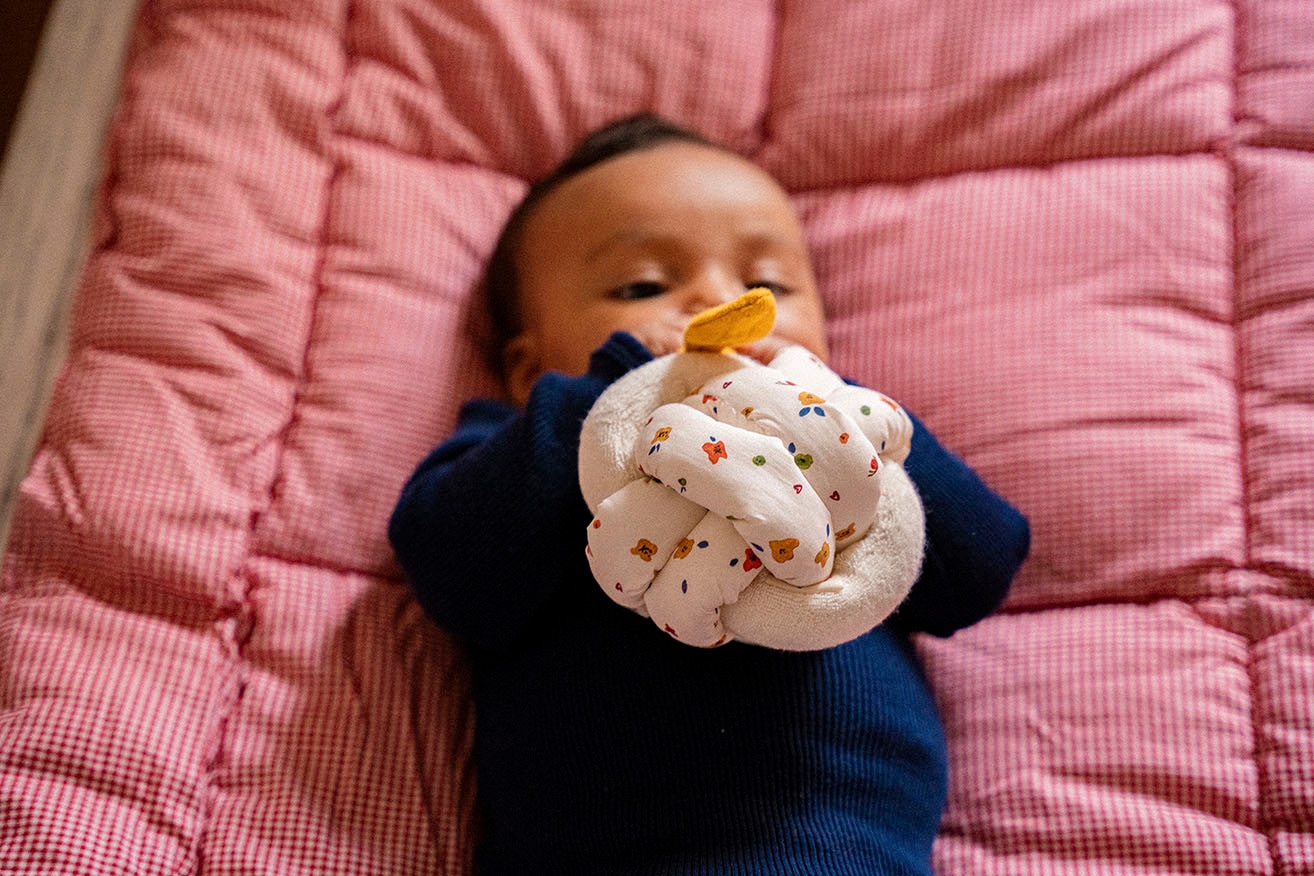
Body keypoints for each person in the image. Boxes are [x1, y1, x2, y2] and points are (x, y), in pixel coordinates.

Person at [389, 114, 1031, 875]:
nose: (720, 307)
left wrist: (844, 416)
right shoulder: (526, 439)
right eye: (644, 286)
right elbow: (453, 570)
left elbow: (982, 567)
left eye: (767, 285)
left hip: (848, 854)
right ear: (529, 368)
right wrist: (605, 394)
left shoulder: (851, 440)